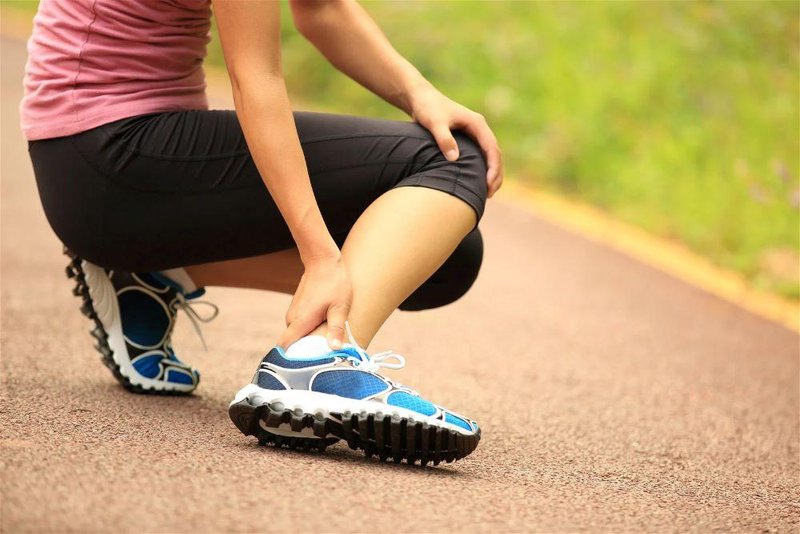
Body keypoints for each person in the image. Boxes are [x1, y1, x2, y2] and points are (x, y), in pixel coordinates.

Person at [21, 0, 502, 466]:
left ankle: (158, 271)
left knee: (444, 254)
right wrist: (319, 257)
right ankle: (316, 362)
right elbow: (254, 80)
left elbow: (321, 8)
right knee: (450, 161)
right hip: (109, 156)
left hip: (108, 173)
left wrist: (421, 94)